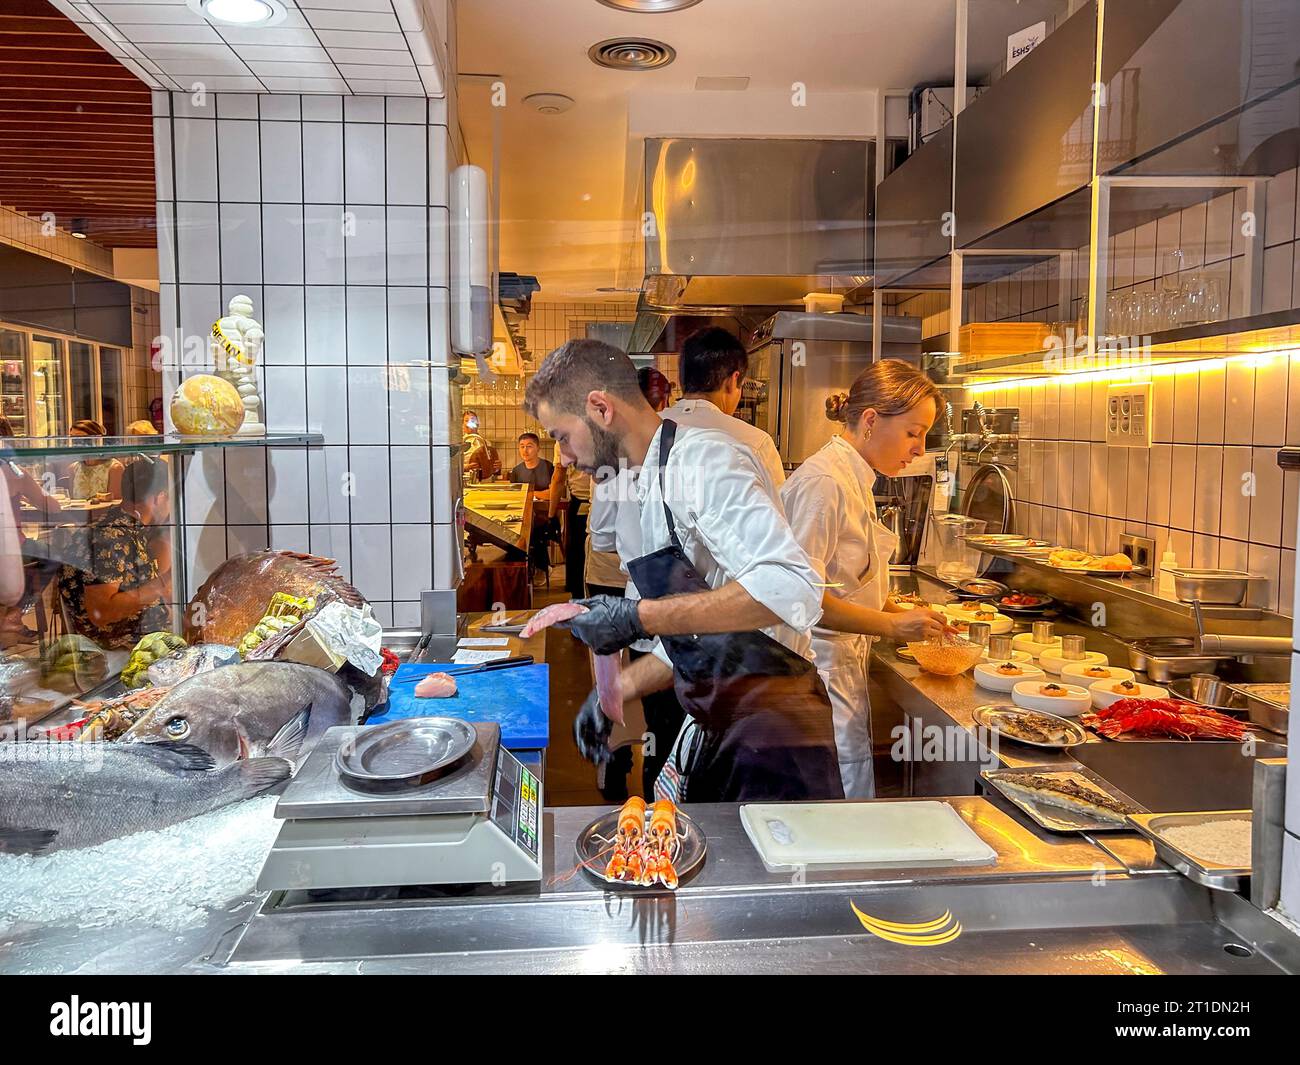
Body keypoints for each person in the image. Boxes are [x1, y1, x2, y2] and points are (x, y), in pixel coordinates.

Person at [525, 339, 842, 803]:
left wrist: (639, 618)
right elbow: (703, 637)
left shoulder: (703, 462)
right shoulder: (642, 481)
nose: (565, 459)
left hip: (777, 732)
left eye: (561, 437)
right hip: (723, 723)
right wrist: (617, 691)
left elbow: (793, 588)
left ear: (600, 408)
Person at [781, 360, 949, 798]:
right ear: (871, 420)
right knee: (833, 810)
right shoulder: (825, 483)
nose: (919, 448)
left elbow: (846, 582)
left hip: (838, 675)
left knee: (847, 803)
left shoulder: (855, 478)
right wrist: (892, 627)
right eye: (914, 432)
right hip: (815, 675)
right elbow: (799, 601)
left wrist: (900, 609)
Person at [55, 457, 171, 648]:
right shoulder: (111, 538)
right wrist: (162, 583)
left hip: (144, 639)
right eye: (171, 497)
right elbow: (103, 612)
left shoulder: (127, 526)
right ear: (159, 497)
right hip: (118, 649)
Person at [662, 326, 786, 490]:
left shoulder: (649, 428)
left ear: (680, 378)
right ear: (732, 381)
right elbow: (776, 510)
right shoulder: (756, 443)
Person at [509, 432, 558, 582]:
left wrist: (530, 492)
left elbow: (552, 493)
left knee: (536, 531)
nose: (525, 450)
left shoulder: (548, 467)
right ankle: (519, 574)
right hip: (523, 515)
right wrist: (538, 493)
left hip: (546, 515)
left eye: (529, 446)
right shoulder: (517, 471)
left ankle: (541, 568)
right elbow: (515, 496)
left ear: (538, 448)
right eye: (522, 447)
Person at [67, 419, 124, 502]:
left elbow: (116, 504)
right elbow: (71, 501)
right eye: (73, 439)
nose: (75, 443)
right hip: (79, 514)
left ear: (96, 440)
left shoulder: (114, 468)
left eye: (81, 438)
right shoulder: (73, 468)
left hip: (105, 514)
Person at [461, 410, 498, 483]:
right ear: (462, 424)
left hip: (486, 482)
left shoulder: (486, 443)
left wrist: (497, 467)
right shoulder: (460, 444)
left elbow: (493, 468)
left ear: (478, 424)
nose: (470, 423)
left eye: (473, 420)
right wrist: (466, 467)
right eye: (466, 420)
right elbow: (452, 467)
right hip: (467, 481)